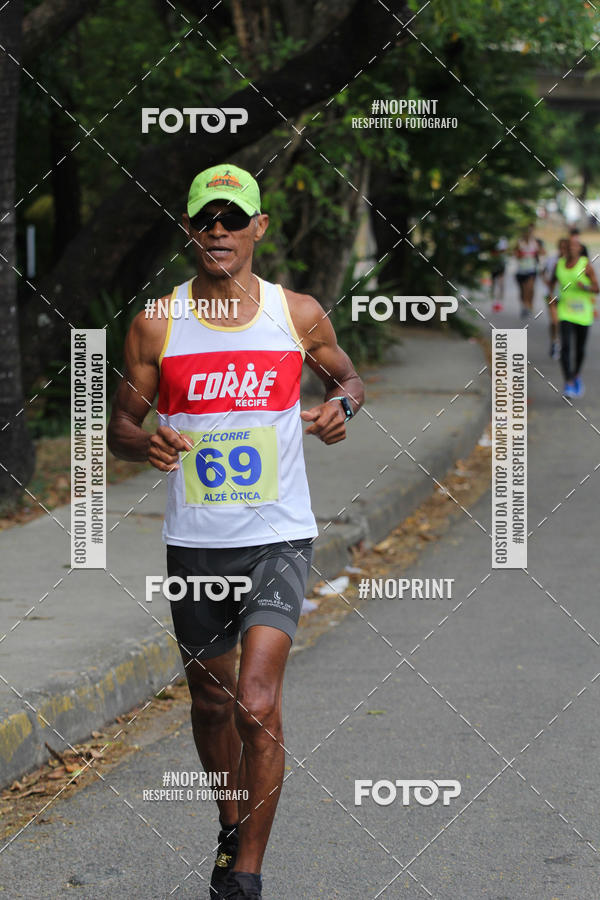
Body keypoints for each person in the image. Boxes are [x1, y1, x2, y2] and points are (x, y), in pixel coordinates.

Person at [107, 163, 364, 900]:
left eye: (232, 217)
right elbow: (121, 423)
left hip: (279, 536)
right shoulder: (157, 321)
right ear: (188, 228)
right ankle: (231, 827)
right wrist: (140, 442)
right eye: (204, 218)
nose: (217, 229)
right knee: (211, 703)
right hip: (195, 540)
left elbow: (347, 379)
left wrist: (340, 410)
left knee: (255, 701)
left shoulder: (298, 313)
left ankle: (244, 877)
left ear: (259, 227)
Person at [547, 234, 598, 398]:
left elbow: (597, 288)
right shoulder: (559, 265)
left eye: (574, 246)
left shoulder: (586, 266)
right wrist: (552, 302)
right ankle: (568, 381)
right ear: (565, 248)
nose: (571, 248)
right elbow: (552, 284)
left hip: (583, 313)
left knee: (580, 349)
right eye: (568, 246)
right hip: (565, 312)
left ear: (579, 249)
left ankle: (576, 375)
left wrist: (586, 288)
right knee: (566, 347)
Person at [543, 237, 568, 360]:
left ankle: (563, 345)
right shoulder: (553, 259)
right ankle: (554, 342)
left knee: (564, 322)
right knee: (554, 321)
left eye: (565, 248)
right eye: (561, 247)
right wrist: (547, 283)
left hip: (566, 297)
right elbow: (543, 272)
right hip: (552, 294)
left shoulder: (570, 261)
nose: (563, 250)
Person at [514, 223, 541, 318]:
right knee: (522, 291)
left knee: (530, 289)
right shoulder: (519, 242)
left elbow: (540, 253)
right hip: (521, 270)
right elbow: (516, 254)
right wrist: (521, 254)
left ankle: (529, 305)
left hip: (531, 269)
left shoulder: (535, 242)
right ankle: (524, 305)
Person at [490, 237, 508, 311]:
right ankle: (493, 295)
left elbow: (504, 250)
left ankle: (500, 296)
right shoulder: (493, 239)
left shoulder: (503, 239)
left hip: (501, 264)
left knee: (501, 281)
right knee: (493, 281)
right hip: (494, 264)